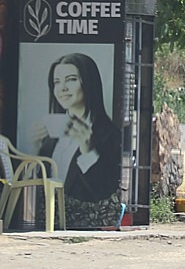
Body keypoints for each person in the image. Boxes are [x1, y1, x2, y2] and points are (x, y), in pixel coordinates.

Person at [31, 53, 121, 206]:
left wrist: (89, 153)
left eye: (71, 79)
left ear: (88, 83)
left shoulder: (109, 134)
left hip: (82, 221)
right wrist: (35, 149)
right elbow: (36, 187)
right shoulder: (48, 134)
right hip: (48, 218)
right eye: (56, 82)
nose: (62, 88)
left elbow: (106, 193)